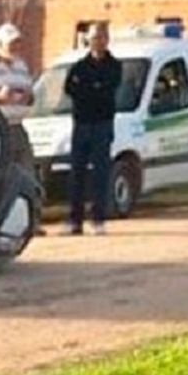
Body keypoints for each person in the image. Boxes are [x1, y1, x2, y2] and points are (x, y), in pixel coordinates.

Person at [62, 22, 122, 235]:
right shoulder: (79, 66)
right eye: (94, 37)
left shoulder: (114, 66)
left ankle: (98, 219)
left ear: (107, 40)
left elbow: (107, 89)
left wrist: (88, 89)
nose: (98, 41)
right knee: (77, 172)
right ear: (88, 40)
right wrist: (91, 88)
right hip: (81, 124)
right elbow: (70, 88)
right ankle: (74, 221)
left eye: (101, 37)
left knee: (100, 173)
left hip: (102, 124)